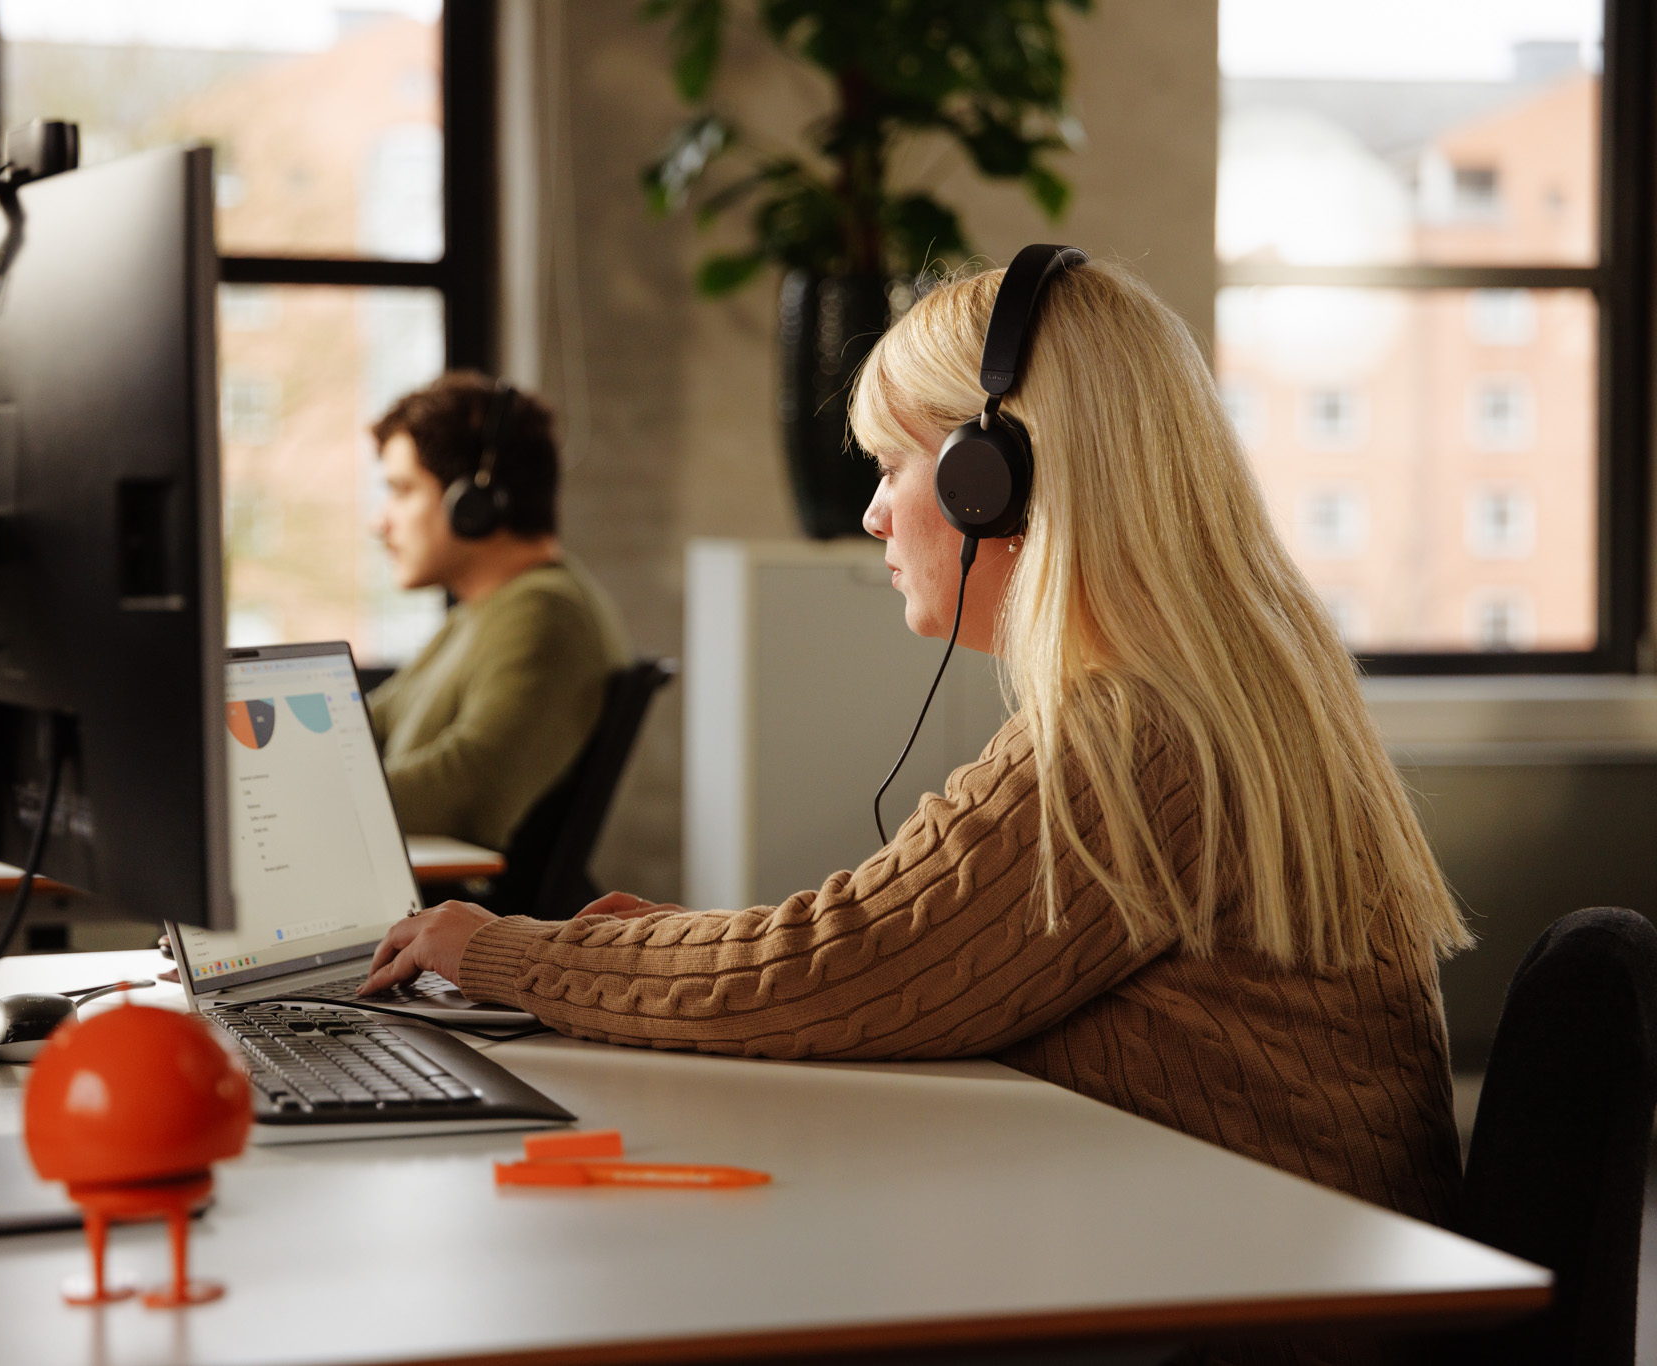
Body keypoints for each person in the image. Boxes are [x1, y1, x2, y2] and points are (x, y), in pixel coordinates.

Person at [363, 261, 1472, 1361]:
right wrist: (651, 950)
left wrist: (504, 953)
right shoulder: (1202, 691)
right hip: (1274, 1267)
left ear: (999, 479)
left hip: (1264, 1313)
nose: (871, 510)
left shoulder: (1135, 730)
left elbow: (840, 962)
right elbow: (898, 951)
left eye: (894, 463)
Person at [366, 371, 630, 853]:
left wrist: (306, 805)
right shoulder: (482, 610)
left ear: (473, 501)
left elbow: (468, 790)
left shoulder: (542, 613)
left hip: (462, 919)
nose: (378, 522)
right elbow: (371, 721)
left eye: (402, 491)